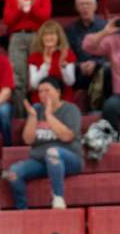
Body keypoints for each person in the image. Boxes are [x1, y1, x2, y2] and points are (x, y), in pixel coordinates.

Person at [6, 77, 83, 209]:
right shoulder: (36, 109)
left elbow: (67, 136)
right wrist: (32, 117)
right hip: (40, 161)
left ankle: (58, 198)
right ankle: (22, 210)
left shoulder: (71, 109)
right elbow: (28, 140)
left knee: (52, 152)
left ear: (58, 92)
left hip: (69, 159)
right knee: (13, 172)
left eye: (47, 90)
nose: (43, 94)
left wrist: (49, 115)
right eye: (40, 91)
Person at [3, 0, 52, 114]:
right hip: (17, 38)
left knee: (38, 74)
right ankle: (21, 115)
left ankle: (42, 114)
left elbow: (44, 17)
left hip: (37, 36)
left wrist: (32, 5)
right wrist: (18, 8)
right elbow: (8, 20)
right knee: (18, 78)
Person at [83, 17, 120, 132]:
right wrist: (105, 31)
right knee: (110, 106)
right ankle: (115, 140)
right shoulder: (114, 41)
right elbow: (87, 45)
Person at [65, 0, 106, 90]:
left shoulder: (105, 27)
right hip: (79, 73)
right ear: (76, 7)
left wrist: (96, 63)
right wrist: (79, 65)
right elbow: (67, 56)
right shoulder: (70, 30)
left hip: (102, 70)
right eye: (81, 4)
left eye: (88, 4)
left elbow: (112, 55)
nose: (85, 7)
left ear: (95, 6)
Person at [28, 20, 76, 103]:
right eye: (45, 34)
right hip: (41, 102)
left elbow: (70, 82)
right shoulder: (34, 57)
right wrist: (46, 65)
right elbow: (34, 85)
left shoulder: (67, 54)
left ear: (58, 37)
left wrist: (63, 67)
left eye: (52, 34)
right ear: (41, 38)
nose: (49, 37)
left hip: (63, 100)